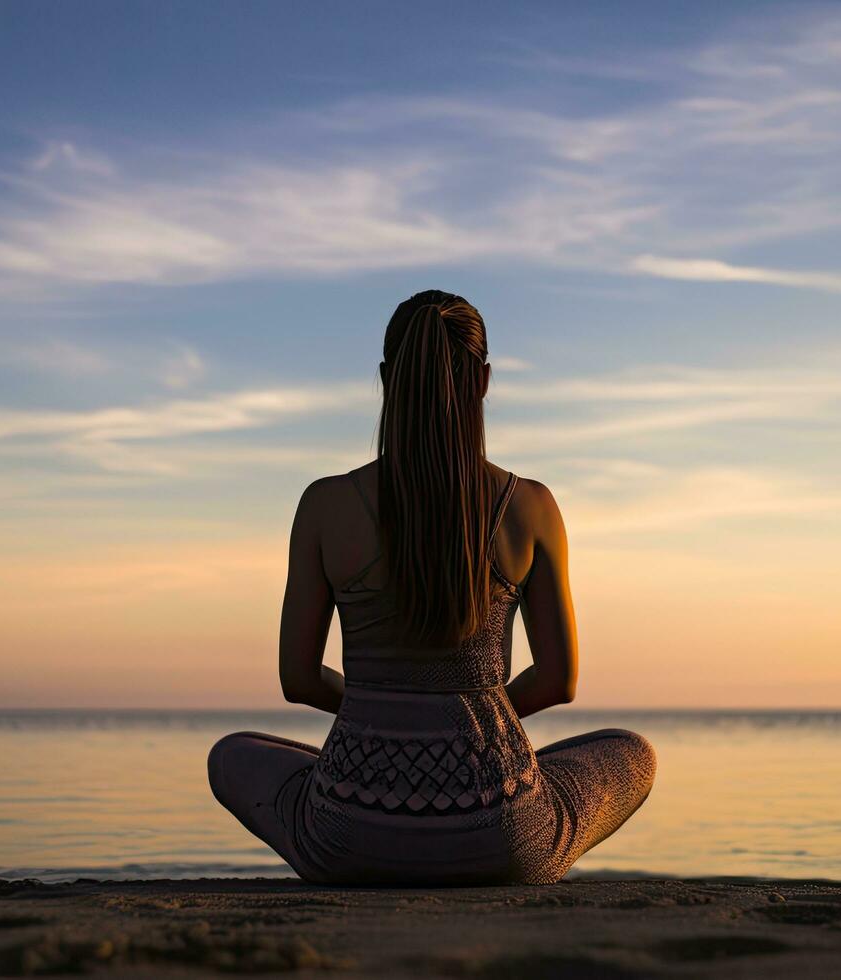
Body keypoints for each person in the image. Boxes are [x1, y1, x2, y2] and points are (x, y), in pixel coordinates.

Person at [208, 289, 655, 885]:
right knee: (633, 753)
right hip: (501, 838)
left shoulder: (325, 505)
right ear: (486, 381)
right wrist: (466, 721)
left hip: (347, 838)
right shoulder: (530, 505)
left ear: (388, 378)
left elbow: (298, 680)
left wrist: (387, 716)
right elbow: (558, 681)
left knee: (231, 755)